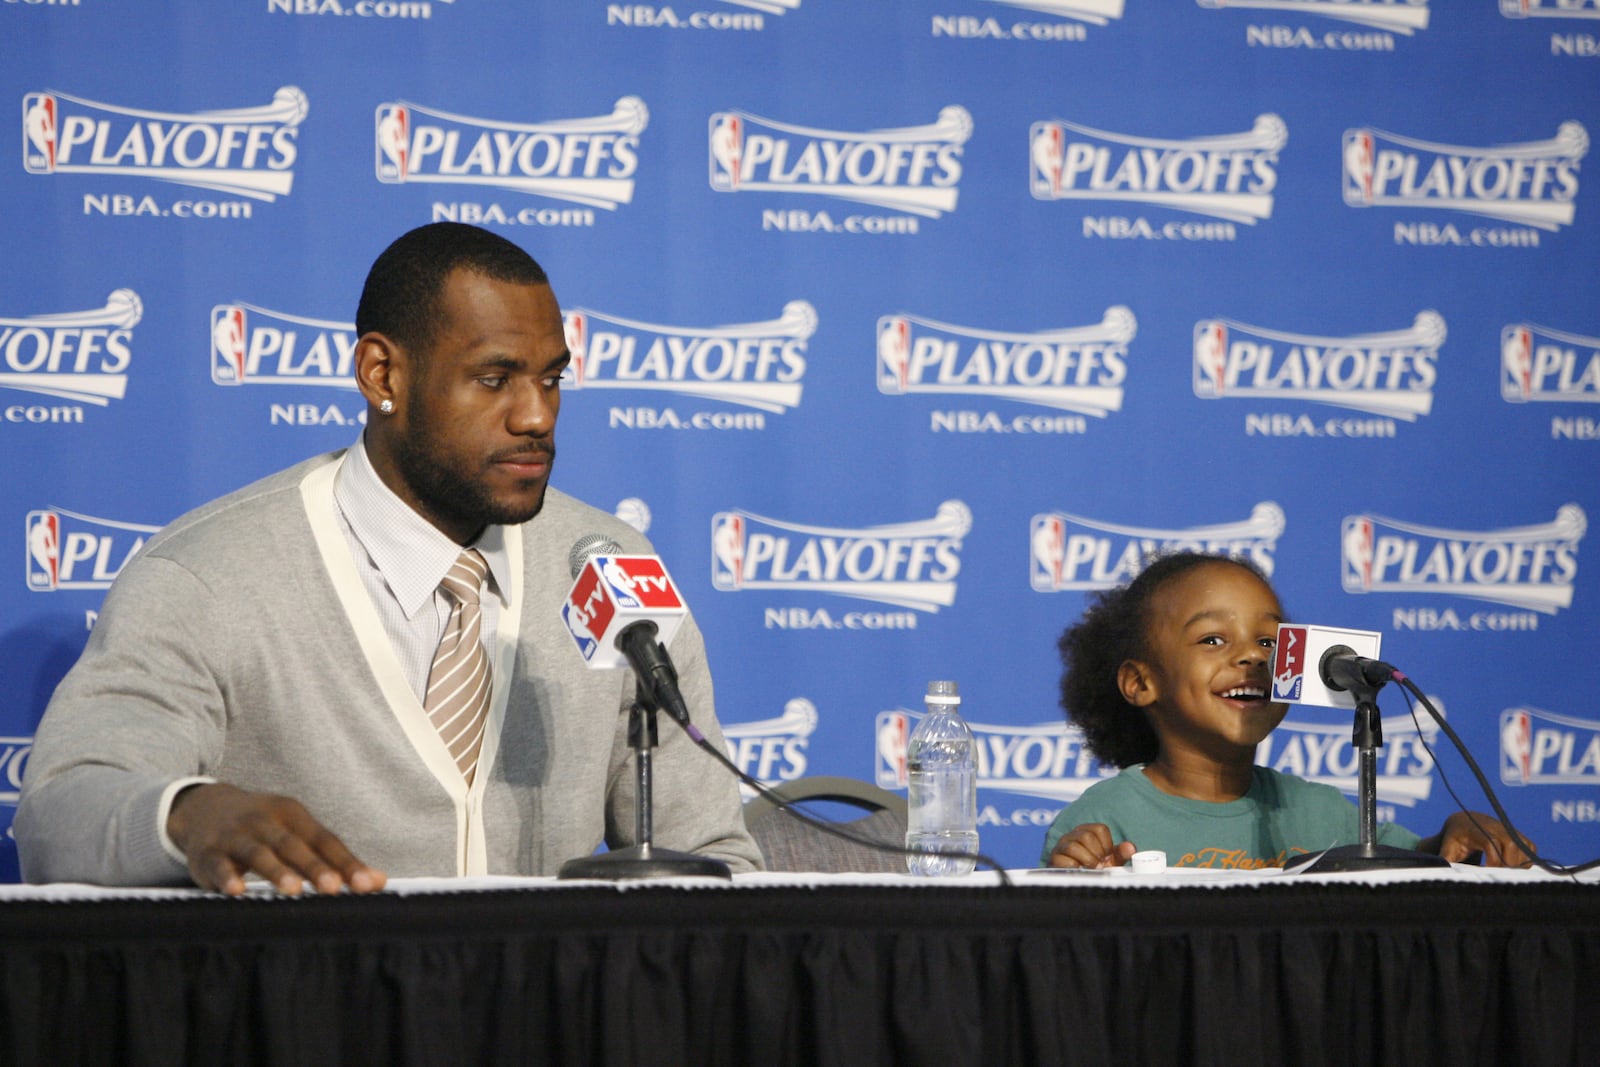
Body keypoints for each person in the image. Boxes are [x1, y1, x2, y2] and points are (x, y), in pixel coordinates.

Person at [16, 222, 762, 894]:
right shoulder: (209, 576)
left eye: (552, 378)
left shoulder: (609, 569)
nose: (537, 415)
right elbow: (60, 812)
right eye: (495, 379)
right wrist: (187, 811)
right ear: (382, 375)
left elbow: (712, 854)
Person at [1041, 551, 1535, 870]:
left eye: (1269, 641)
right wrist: (1083, 875)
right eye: (1213, 639)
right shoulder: (1102, 820)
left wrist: (1455, 833)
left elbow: (1415, 859)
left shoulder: (1319, 812)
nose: (1253, 657)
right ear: (1140, 682)